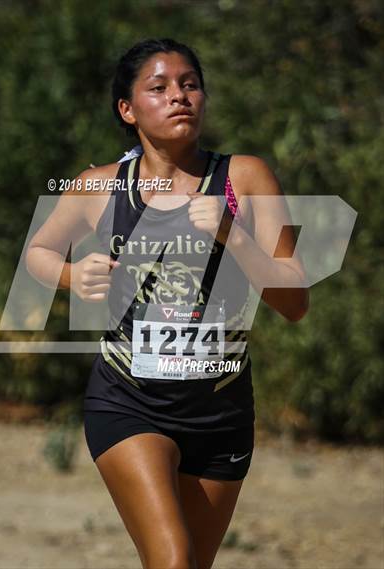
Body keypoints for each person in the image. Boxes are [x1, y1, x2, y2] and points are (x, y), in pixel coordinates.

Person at [26, 38, 308, 569]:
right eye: (159, 88)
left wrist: (235, 235)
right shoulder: (99, 186)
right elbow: (37, 252)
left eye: (190, 84)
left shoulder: (245, 178)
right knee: (173, 560)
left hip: (221, 406)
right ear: (127, 110)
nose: (180, 96)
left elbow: (295, 302)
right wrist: (70, 274)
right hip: (128, 399)